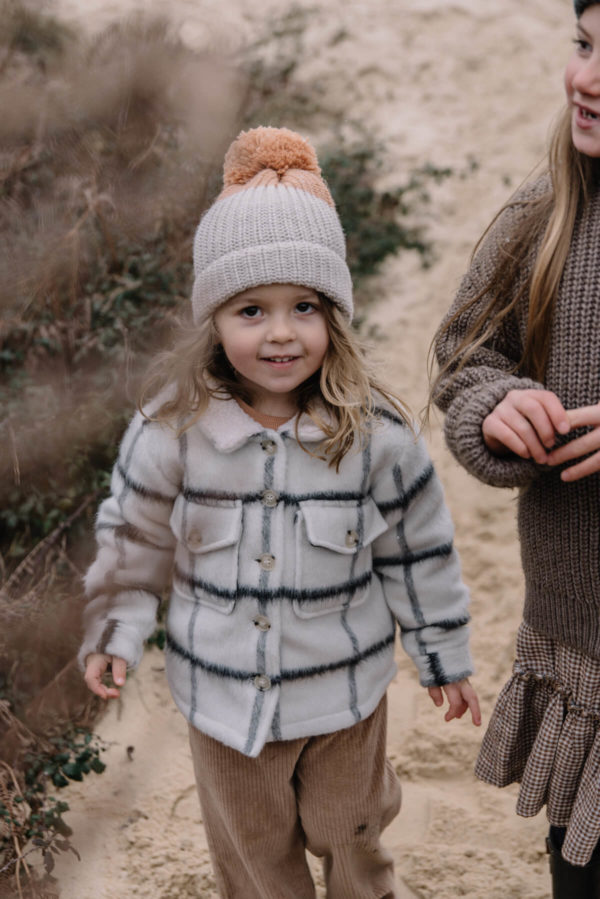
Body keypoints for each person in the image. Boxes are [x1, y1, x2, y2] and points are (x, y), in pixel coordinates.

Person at [80, 125, 480, 899]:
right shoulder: (171, 430)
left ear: (334, 314)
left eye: (305, 305)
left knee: (351, 831)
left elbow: (418, 550)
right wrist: (114, 627)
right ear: (213, 320)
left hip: (343, 695)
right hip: (222, 698)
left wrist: (442, 652)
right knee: (254, 854)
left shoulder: (375, 435)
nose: (281, 333)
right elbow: (132, 538)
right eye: (251, 310)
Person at [431, 2, 600, 895]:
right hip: (585, 669)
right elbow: (464, 354)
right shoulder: (546, 212)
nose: (587, 78)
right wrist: (496, 405)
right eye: (583, 45)